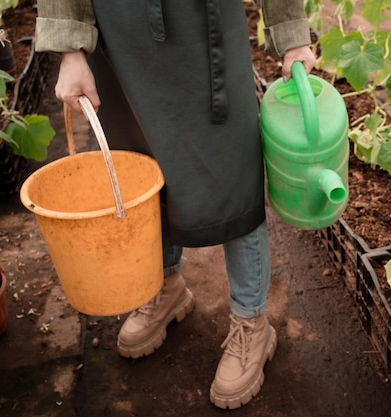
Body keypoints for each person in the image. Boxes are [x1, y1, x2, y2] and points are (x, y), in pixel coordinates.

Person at [35, 0, 316, 409]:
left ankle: (251, 322)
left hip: (206, 26)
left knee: (232, 175)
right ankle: (164, 285)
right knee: (145, 163)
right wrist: (70, 49)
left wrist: (291, 33)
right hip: (120, 34)